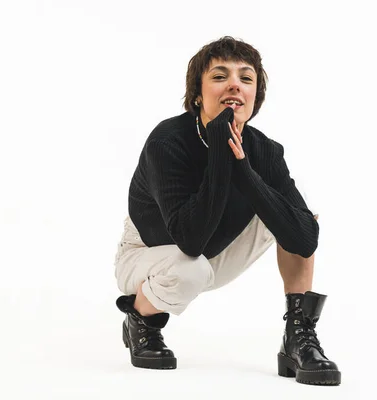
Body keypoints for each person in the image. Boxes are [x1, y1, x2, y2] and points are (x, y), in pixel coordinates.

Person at [113, 36, 341, 386]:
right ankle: (141, 318)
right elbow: (189, 240)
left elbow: (305, 239)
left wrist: (244, 170)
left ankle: (298, 336)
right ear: (198, 95)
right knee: (190, 270)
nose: (234, 83)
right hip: (150, 253)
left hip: (214, 250)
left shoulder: (266, 150)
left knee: (296, 216)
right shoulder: (167, 141)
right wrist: (221, 152)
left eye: (246, 79)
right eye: (220, 76)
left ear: (254, 98)